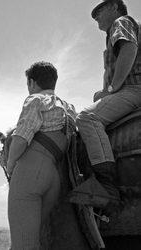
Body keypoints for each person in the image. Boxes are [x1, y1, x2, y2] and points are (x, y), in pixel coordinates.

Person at [74, 0, 141, 207]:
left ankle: (107, 187)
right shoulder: (119, 27)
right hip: (130, 89)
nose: (96, 19)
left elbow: (129, 48)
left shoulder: (121, 22)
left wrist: (111, 89)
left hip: (133, 89)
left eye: (99, 12)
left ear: (114, 6)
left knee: (86, 117)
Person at [7, 61, 73, 250]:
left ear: (32, 82)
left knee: (24, 245)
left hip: (31, 172)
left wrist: (11, 164)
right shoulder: (68, 108)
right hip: (54, 177)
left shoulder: (35, 99)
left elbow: (21, 137)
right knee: (38, 239)